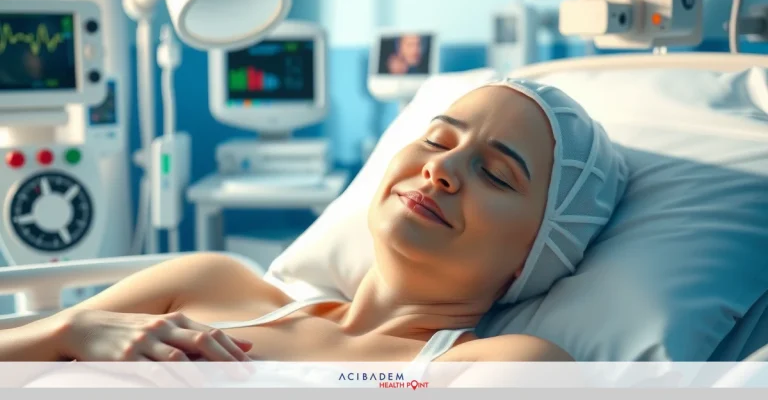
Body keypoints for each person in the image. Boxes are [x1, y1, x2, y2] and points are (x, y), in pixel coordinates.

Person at [0, 78, 627, 385]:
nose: (441, 169)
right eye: (437, 141)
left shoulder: (501, 366)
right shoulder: (208, 281)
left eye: (494, 173)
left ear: (537, 253)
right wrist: (68, 330)